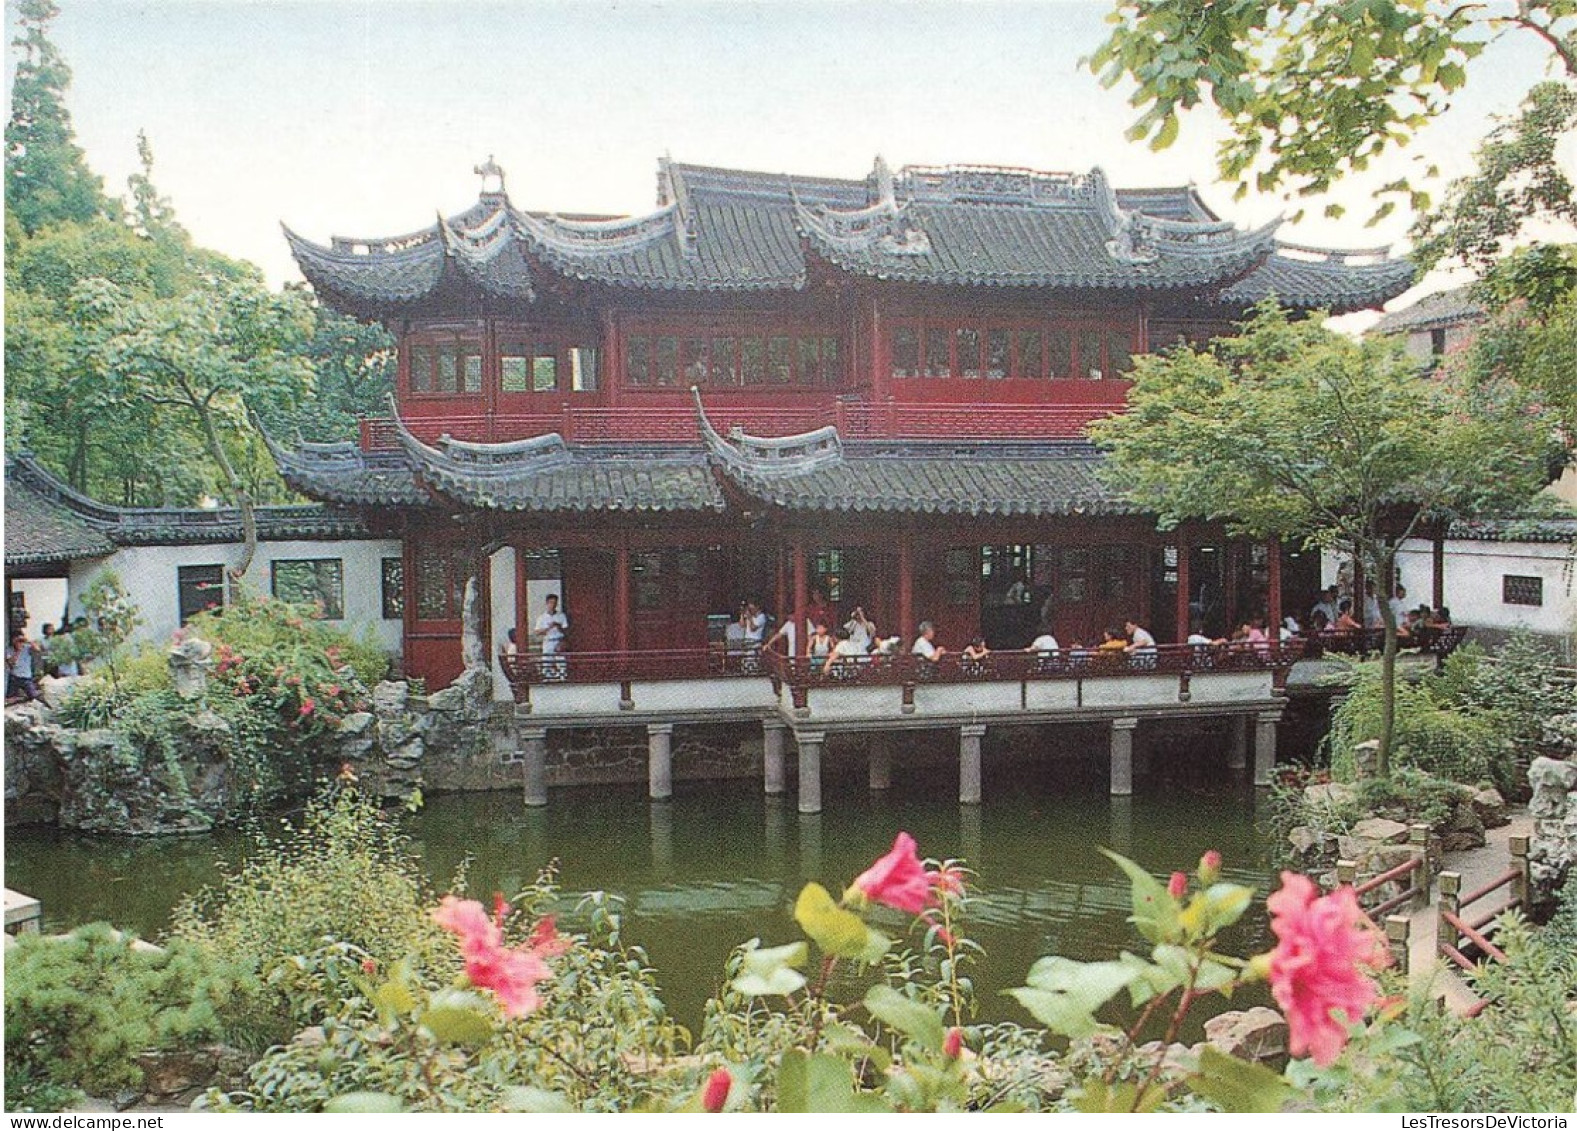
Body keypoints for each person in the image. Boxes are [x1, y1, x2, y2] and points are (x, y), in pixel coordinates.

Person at [534, 594, 569, 679]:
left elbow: (566, 630)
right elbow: (537, 632)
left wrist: (557, 625)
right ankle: (547, 678)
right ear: (547, 603)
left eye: (554, 603)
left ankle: (562, 678)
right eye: (550, 602)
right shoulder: (542, 617)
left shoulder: (561, 616)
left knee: (561, 661)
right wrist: (548, 628)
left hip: (558, 641)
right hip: (548, 641)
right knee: (547, 661)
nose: (552, 605)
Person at [7, 631, 42, 704]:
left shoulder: (27, 648)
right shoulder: (9, 650)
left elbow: (38, 650)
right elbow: (11, 663)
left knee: (33, 696)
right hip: (15, 677)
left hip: (26, 678)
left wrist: (27, 640)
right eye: (17, 640)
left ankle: (24, 697)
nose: (19, 642)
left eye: (21, 640)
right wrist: (18, 651)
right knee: (9, 699)